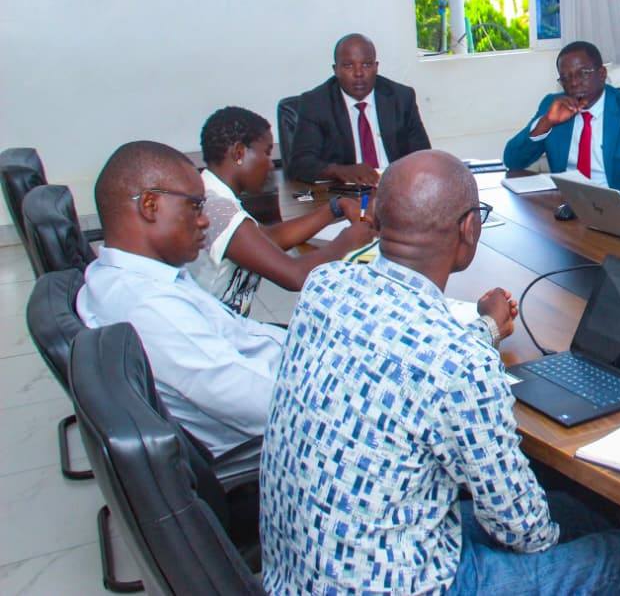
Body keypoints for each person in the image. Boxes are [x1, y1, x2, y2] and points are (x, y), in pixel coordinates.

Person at [259, 151, 620, 595]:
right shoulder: (458, 356)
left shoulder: (324, 285)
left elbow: (405, 355)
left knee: (579, 511)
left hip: (304, 570)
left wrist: (483, 330)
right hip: (402, 584)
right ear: (469, 228)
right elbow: (521, 527)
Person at [76, 141, 286, 458]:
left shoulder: (117, 274)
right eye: (195, 206)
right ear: (149, 205)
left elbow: (238, 334)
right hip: (275, 441)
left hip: (278, 370)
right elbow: (262, 404)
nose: (203, 221)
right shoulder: (149, 308)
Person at [190, 106, 376, 315]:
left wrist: (335, 207)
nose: (270, 165)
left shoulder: (212, 193)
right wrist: (348, 241)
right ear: (239, 153)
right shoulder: (218, 209)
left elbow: (268, 238)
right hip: (220, 334)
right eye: (266, 153)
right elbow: (295, 275)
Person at [503, 41, 620, 195]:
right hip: (569, 205)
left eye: (583, 73)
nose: (574, 82)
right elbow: (513, 160)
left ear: (602, 74)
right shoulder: (553, 106)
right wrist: (546, 122)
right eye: (566, 77)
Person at [287, 33, 431, 184]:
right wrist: (341, 170)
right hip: (346, 193)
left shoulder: (401, 98)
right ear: (335, 70)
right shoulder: (315, 104)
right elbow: (300, 164)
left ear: (376, 67)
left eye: (367, 65)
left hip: (396, 188)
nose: (359, 73)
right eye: (348, 65)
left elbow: (423, 155)